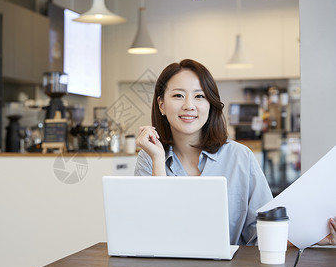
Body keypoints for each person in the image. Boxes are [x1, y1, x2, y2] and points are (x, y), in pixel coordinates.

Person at [134, 58, 336, 246]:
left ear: (210, 104)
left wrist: (314, 238)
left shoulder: (240, 157)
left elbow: (261, 232)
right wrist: (158, 159)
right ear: (161, 104)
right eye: (178, 95)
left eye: (199, 96)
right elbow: (151, 231)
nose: (189, 105)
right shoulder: (150, 158)